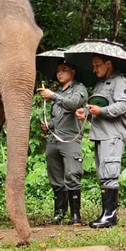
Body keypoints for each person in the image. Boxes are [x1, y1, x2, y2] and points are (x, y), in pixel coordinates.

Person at [76, 54, 126, 229]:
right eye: (93, 65)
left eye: (97, 65)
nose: (94, 69)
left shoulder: (120, 82)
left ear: (108, 64)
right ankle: (106, 213)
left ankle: (110, 215)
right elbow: (97, 108)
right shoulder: (100, 84)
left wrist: (101, 110)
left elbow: (124, 105)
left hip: (112, 134)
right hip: (100, 134)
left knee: (110, 173)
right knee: (103, 174)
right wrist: (87, 113)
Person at [37, 60, 88, 226]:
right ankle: (59, 213)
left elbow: (73, 104)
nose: (60, 73)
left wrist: (53, 96)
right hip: (54, 138)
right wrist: (49, 125)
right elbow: (58, 116)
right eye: (58, 70)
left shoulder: (79, 89)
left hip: (70, 139)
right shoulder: (58, 90)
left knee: (72, 174)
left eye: (64, 70)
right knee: (56, 178)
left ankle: (75, 215)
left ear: (72, 72)